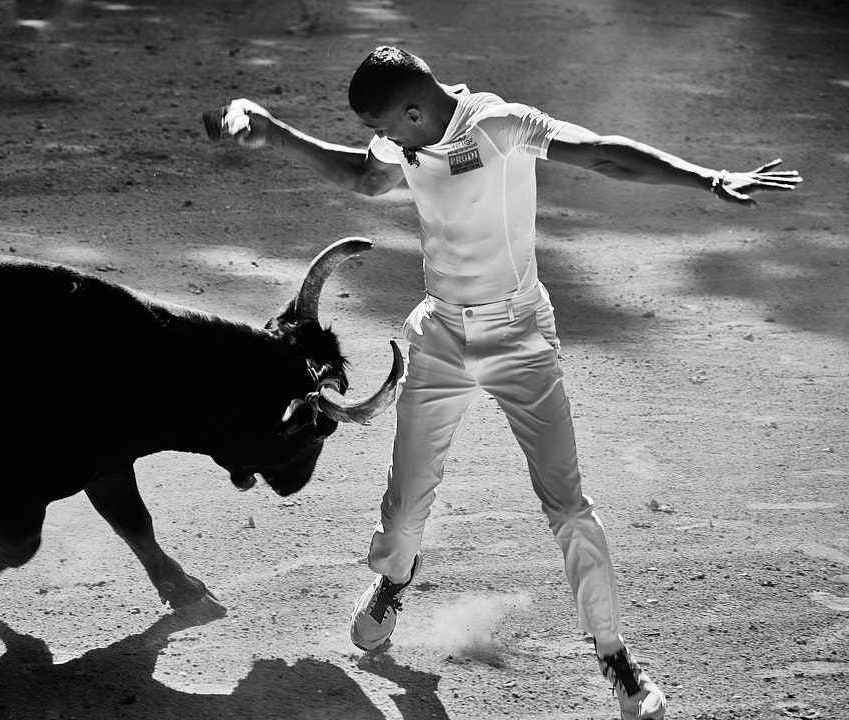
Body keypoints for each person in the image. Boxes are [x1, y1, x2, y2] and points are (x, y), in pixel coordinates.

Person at [214, 46, 801, 720]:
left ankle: (616, 658)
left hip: (518, 335)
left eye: (385, 127)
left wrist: (708, 177)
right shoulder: (405, 137)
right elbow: (365, 178)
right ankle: (395, 578)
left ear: (414, 112)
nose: (383, 141)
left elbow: (603, 154)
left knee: (567, 505)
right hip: (439, 333)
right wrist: (274, 132)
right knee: (404, 504)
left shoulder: (499, 126)